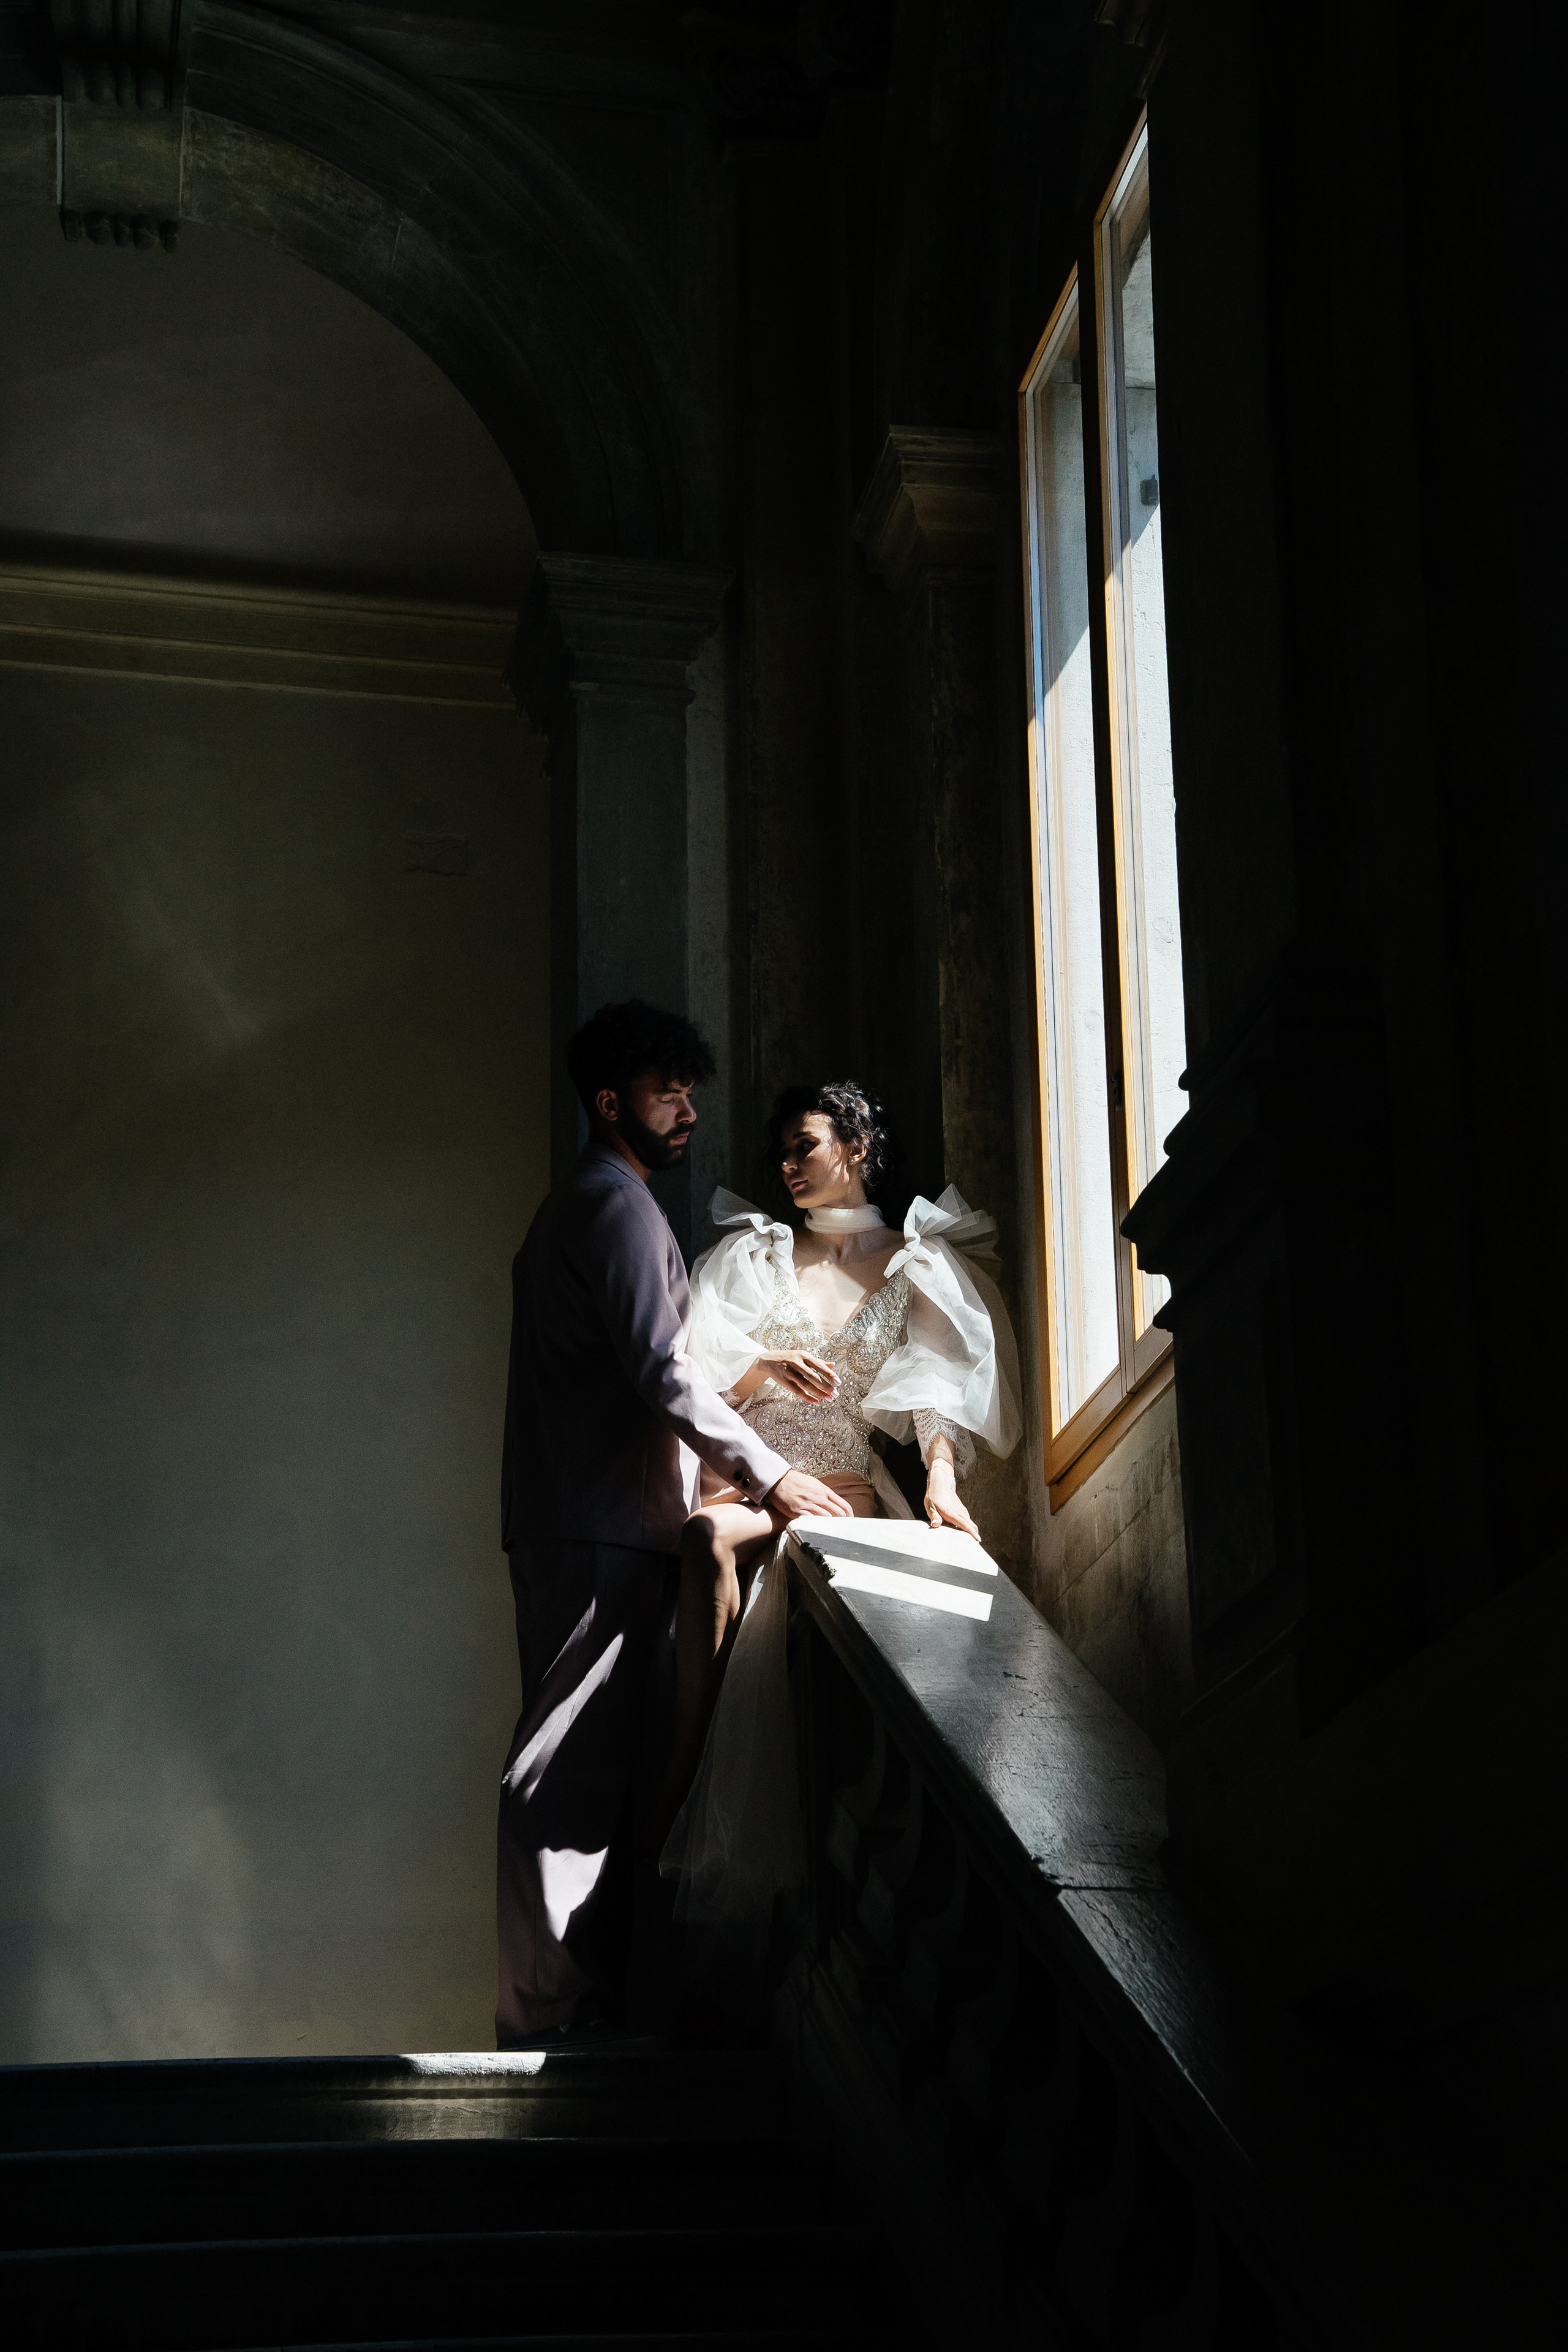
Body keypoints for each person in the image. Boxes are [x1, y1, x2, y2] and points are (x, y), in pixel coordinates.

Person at [496, 1003, 852, 2046]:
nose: (688, 1111)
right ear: (612, 1104)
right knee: (564, 1768)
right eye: (668, 1094)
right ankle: (549, 2023)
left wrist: (752, 1377)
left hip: (602, 1518)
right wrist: (774, 1475)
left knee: (596, 1771)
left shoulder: (603, 1204)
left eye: (690, 1092)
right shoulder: (611, 1208)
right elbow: (660, 1372)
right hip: (596, 1524)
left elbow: (650, 1361)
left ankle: (574, 2009)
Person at [649, 1081, 1022, 1912]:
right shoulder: (755, 1254)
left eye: (805, 1146)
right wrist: (765, 1366)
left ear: (856, 1147)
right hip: (751, 1475)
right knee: (706, 1537)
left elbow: (937, 1389)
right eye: (782, 1152)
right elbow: (699, 1375)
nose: (788, 1165)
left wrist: (941, 1478)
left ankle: (691, 1771)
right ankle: (690, 1757)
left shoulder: (915, 1259)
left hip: (842, 1481)